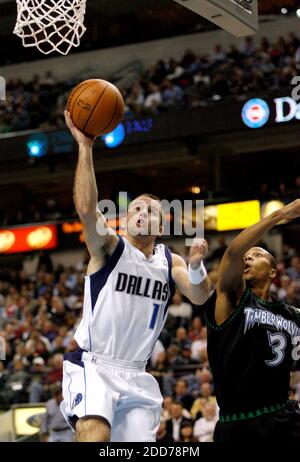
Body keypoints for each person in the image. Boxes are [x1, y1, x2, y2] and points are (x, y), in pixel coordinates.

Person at [61, 111, 210, 442]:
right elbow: (87, 210)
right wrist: (85, 147)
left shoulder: (171, 262)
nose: (143, 214)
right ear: (125, 219)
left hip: (137, 374)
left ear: (161, 225)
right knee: (95, 434)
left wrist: (198, 266)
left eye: (152, 212)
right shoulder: (110, 248)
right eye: (137, 209)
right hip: (95, 364)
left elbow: (200, 296)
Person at [206, 199, 300, 442]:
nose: (247, 258)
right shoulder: (233, 299)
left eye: (256, 255)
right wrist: (279, 215)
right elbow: (234, 252)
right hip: (239, 423)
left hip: (283, 417)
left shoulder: (292, 315)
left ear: (272, 271)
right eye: (246, 257)